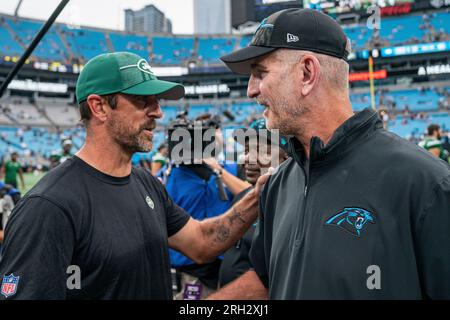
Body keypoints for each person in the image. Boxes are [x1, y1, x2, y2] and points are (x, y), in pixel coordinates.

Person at [214, 8, 450, 299]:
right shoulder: (279, 184)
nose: (251, 90)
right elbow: (267, 282)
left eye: (260, 73)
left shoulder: (425, 183)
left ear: (306, 73)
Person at [0, 52, 268, 300]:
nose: (158, 111)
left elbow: (201, 243)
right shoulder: (49, 206)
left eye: (157, 101)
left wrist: (260, 195)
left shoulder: (146, 183)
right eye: (143, 100)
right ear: (99, 107)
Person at [164, 114, 252, 299]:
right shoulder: (171, 175)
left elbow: (252, 195)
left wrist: (217, 170)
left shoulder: (228, 169)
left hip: (224, 258)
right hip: (189, 263)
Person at [216, 118, 289, 289]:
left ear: (287, 155)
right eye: (247, 150)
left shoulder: (292, 205)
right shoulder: (243, 197)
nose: (248, 158)